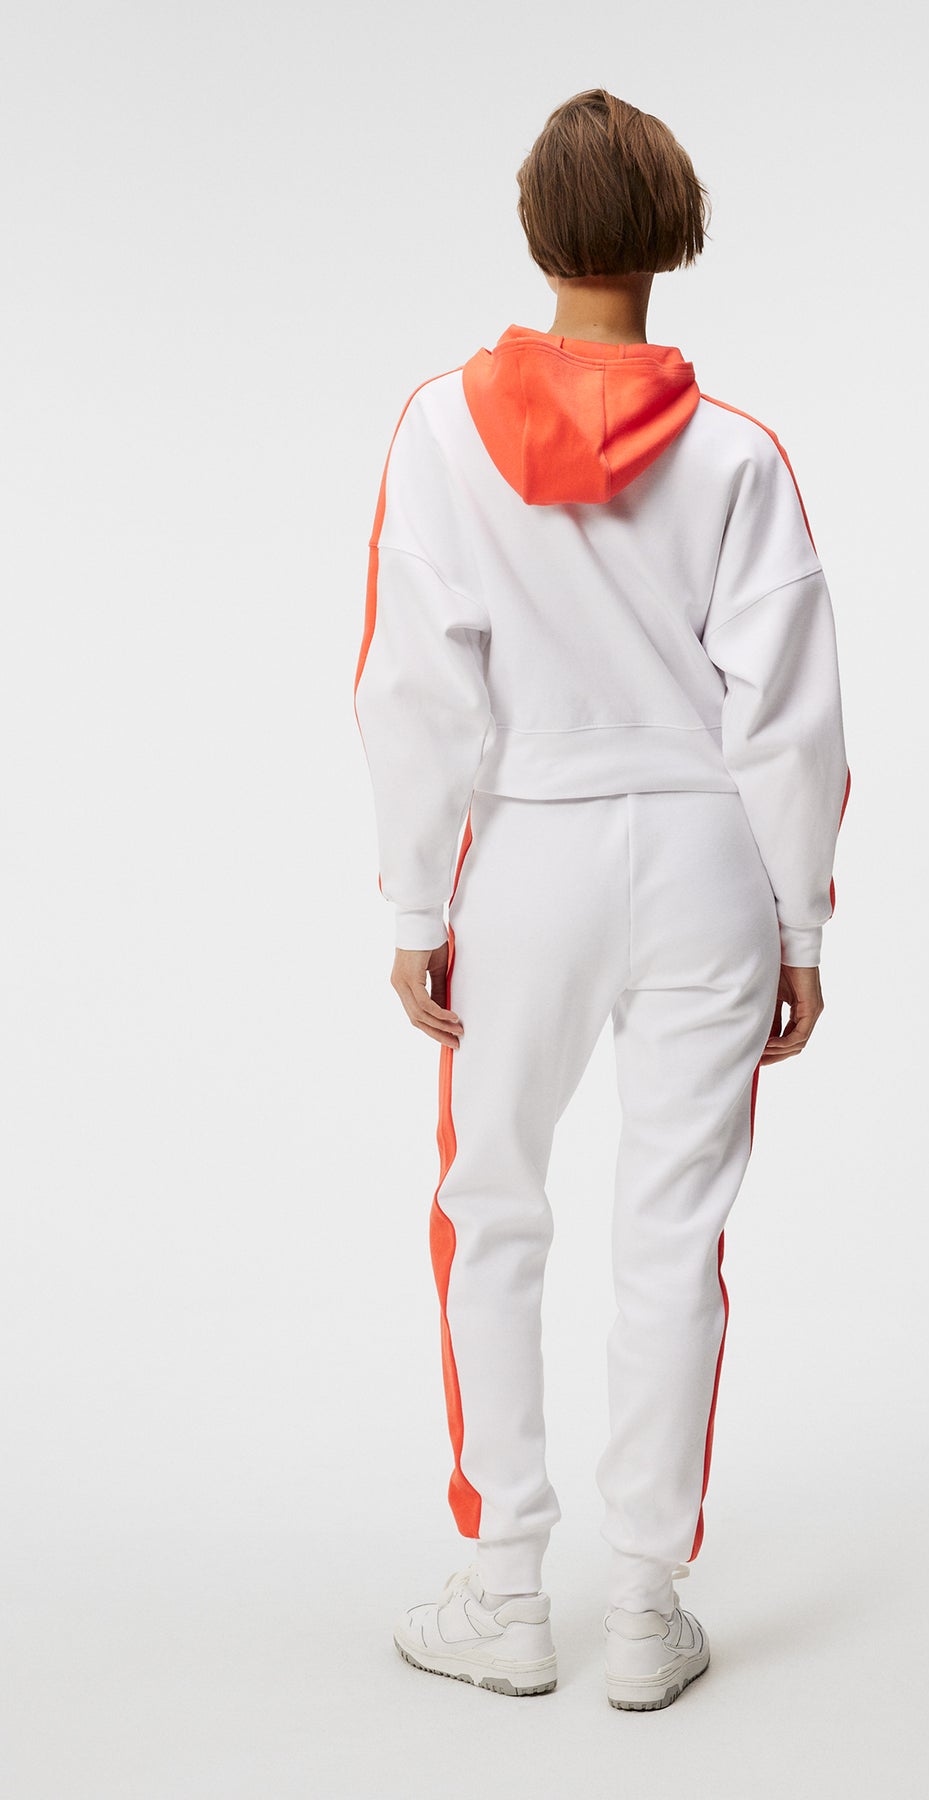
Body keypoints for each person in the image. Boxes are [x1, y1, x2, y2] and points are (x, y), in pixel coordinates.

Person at [353, 86, 851, 1711]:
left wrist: (417, 903)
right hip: (706, 857)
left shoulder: (441, 430)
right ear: (675, 234)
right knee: (674, 1229)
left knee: (492, 1206)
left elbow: (414, 688)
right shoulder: (739, 455)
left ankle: (508, 1595)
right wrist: (800, 922)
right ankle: (642, 1609)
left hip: (529, 857)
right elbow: (792, 715)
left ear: (535, 230)